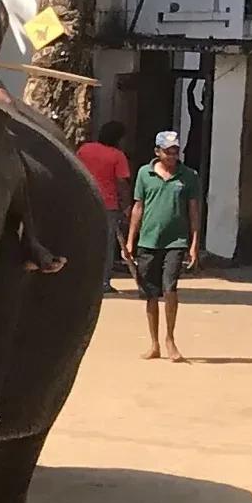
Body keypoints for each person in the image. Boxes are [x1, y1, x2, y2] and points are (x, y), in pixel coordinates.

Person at [124, 132, 205, 360]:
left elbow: (194, 211)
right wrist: (130, 240)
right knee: (151, 293)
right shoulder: (145, 173)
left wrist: (194, 243)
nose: (172, 156)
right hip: (148, 241)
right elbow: (138, 207)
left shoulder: (189, 176)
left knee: (170, 288)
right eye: (168, 151)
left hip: (176, 241)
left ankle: (170, 338)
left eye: (175, 151)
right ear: (157, 152)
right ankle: (154, 343)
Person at [76, 121, 134, 286]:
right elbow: (121, 183)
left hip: (84, 202)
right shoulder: (117, 156)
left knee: (84, 241)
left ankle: (81, 279)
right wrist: (127, 205)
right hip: (107, 205)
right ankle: (103, 282)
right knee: (106, 245)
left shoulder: (85, 149)